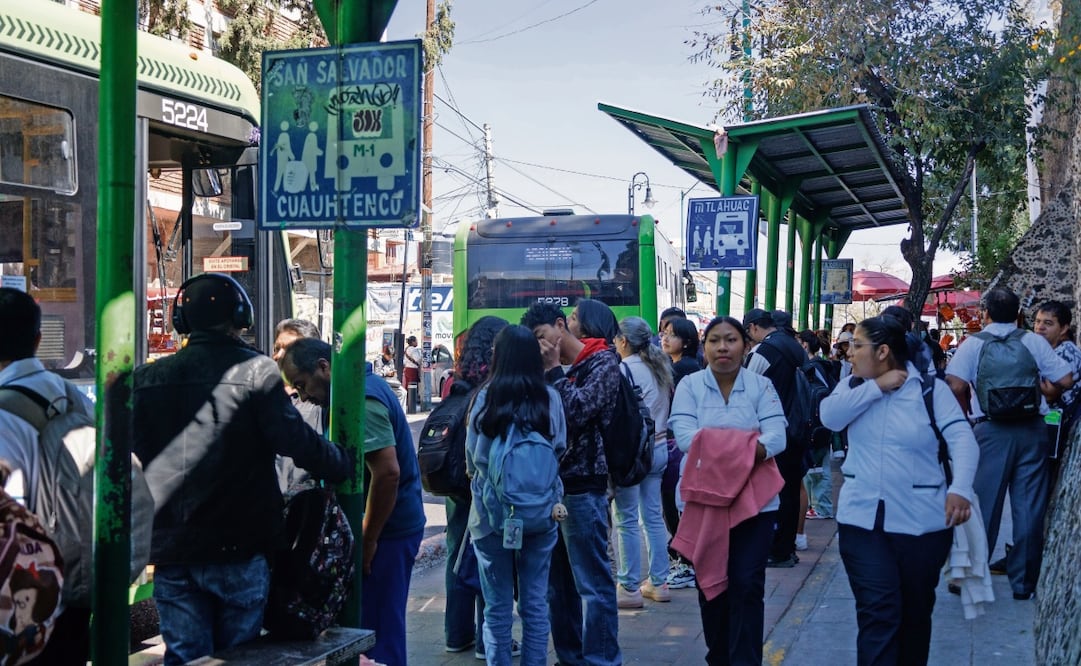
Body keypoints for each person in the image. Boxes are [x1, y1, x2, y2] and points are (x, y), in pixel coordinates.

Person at [131, 274, 351, 665]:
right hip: (240, 547)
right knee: (240, 658)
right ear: (240, 317)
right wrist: (340, 462)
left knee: (184, 657)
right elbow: (297, 442)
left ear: (183, 321)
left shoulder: (145, 380)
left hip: (172, 552)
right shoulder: (256, 372)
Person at [820, 315, 979, 665]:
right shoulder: (852, 386)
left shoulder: (929, 389)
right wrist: (876, 388)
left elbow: (962, 439)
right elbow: (830, 418)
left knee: (914, 613)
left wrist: (960, 489)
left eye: (858, 345)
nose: (850, 353)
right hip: (862, 521)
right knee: (878, 609)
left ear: (883, 351)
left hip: (922, 522)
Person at [279, 337, 426, 666]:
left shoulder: (364, 397)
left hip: (388, 530)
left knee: (378, 631)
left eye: (302, 385)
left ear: (324, 367)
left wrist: (368, 538)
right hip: (383, 527)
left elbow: (387, 473)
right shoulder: (354, 390)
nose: (303, 396)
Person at [668, 316, 786, 665]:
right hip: (704, 503)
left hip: (756, 503)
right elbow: (687, 437)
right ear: (704, 347)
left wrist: (715, 445)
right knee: (711, 583)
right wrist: (748, 445)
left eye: (731, 340)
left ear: (745, 346)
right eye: (715, 340)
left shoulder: (761, 387)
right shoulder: (689, 385)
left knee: (748, 584)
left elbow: (777, 436)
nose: (723, 347)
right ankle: (718, 658)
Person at [944, 287, 1073, 601]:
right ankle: (1024, 583)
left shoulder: (972, 344)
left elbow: (956, 384)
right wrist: (1038, 392)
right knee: (1028, 507)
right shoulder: (1033, 341)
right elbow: (1065, 380)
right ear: (1019, 315)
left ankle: (971, 576)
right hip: (1032, 430)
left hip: (989, 432)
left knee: (983, 506)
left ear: (985, 314)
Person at [520, 299, 622, 666]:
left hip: (584, 487)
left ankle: (602, 660)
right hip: (552, 488)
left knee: (592, 585)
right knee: (557, 587)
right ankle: (570, 657)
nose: (541, 346)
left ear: (561, 326)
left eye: (542, 336)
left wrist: (552, 373)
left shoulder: (604, 362)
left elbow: (577, 411)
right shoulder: (561, 368)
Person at [0, 288, 94, 663]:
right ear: (38, 340)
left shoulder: (4, 412)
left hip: (21, 598)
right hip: (74, 580)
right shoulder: (75, 398)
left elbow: (8, 518)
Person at [466, 325, 567, 666]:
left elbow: (473, 457)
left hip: (491, 515)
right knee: (535, 603)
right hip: (542, 513)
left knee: (496, 607)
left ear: (499, 356)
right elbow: (560, 450)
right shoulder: (549, 397)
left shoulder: (486, 396)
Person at [442, 316, 510, 658]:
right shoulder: (492, 386)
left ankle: (456, 635)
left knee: (456, 555)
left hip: (453, 482)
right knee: (485, 556)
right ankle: (488, 641)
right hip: (480, 483)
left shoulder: (457, 378)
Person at [612, 316, 674, 607]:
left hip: (634, 454)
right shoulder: (659, 366)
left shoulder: (624, 369)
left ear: (624, 341)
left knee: (626, 520)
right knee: (652, 516)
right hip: (659, 448)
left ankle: (629, 587)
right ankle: (660, 582)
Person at [743, 308, 810, 568]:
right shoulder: (792, 345)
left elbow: (747, 387)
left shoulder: (765, 351)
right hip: (796, 427)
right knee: (791, 489)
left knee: (775, 490)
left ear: (753, 328)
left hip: (774, 428)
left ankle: (777, 549)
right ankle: (787, 547)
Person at [660, 315, 701, 589]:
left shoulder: (683, 368)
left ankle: (686, 563)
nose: (664, 338)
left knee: (676, 505)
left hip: (677, 444)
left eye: (671, 334)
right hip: (677, 443)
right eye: (663, 332)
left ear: (686, 342)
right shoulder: (681, 365)